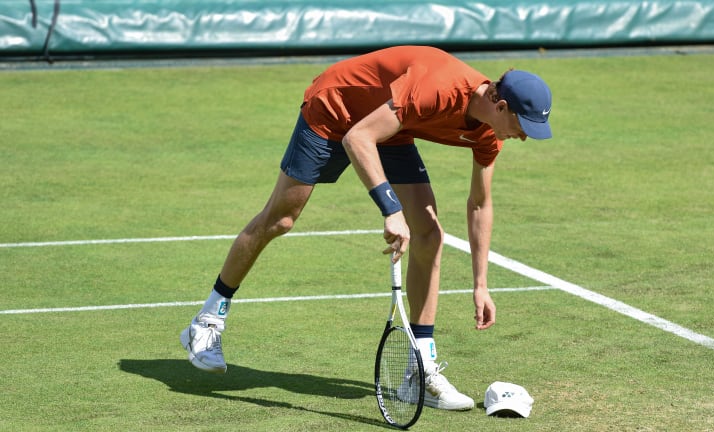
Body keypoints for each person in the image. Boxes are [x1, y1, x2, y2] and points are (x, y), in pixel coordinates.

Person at [180, 45, 552, 411]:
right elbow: (357, 137)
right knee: (281, 218)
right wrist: (391, 209)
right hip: (334, 108)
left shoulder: (488, 133)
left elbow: (479, 204)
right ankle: (208, 320)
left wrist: (481, 285)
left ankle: (417, 372)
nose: (524, 137)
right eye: (524, 127)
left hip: (391, 125)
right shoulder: (436, 88)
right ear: (501, 106)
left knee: (429, 233)